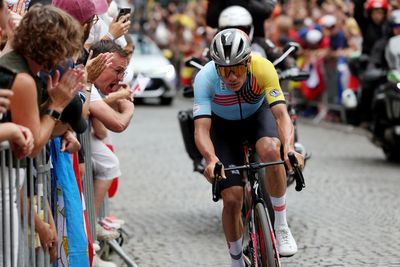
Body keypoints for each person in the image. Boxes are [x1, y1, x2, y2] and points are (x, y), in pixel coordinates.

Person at [193, 29, 304, 266]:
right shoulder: (205, 78)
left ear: (248, 61)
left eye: (236, 68)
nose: (230, 76)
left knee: (272, 150)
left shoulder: (263, 68)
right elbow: (201, 129)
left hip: (257, 118)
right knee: (231, 198)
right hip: (223, 129)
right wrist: (211, 159)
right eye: (224, 69)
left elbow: (281, 115)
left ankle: (281, 225)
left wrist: (290, 149)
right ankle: (236, 260)